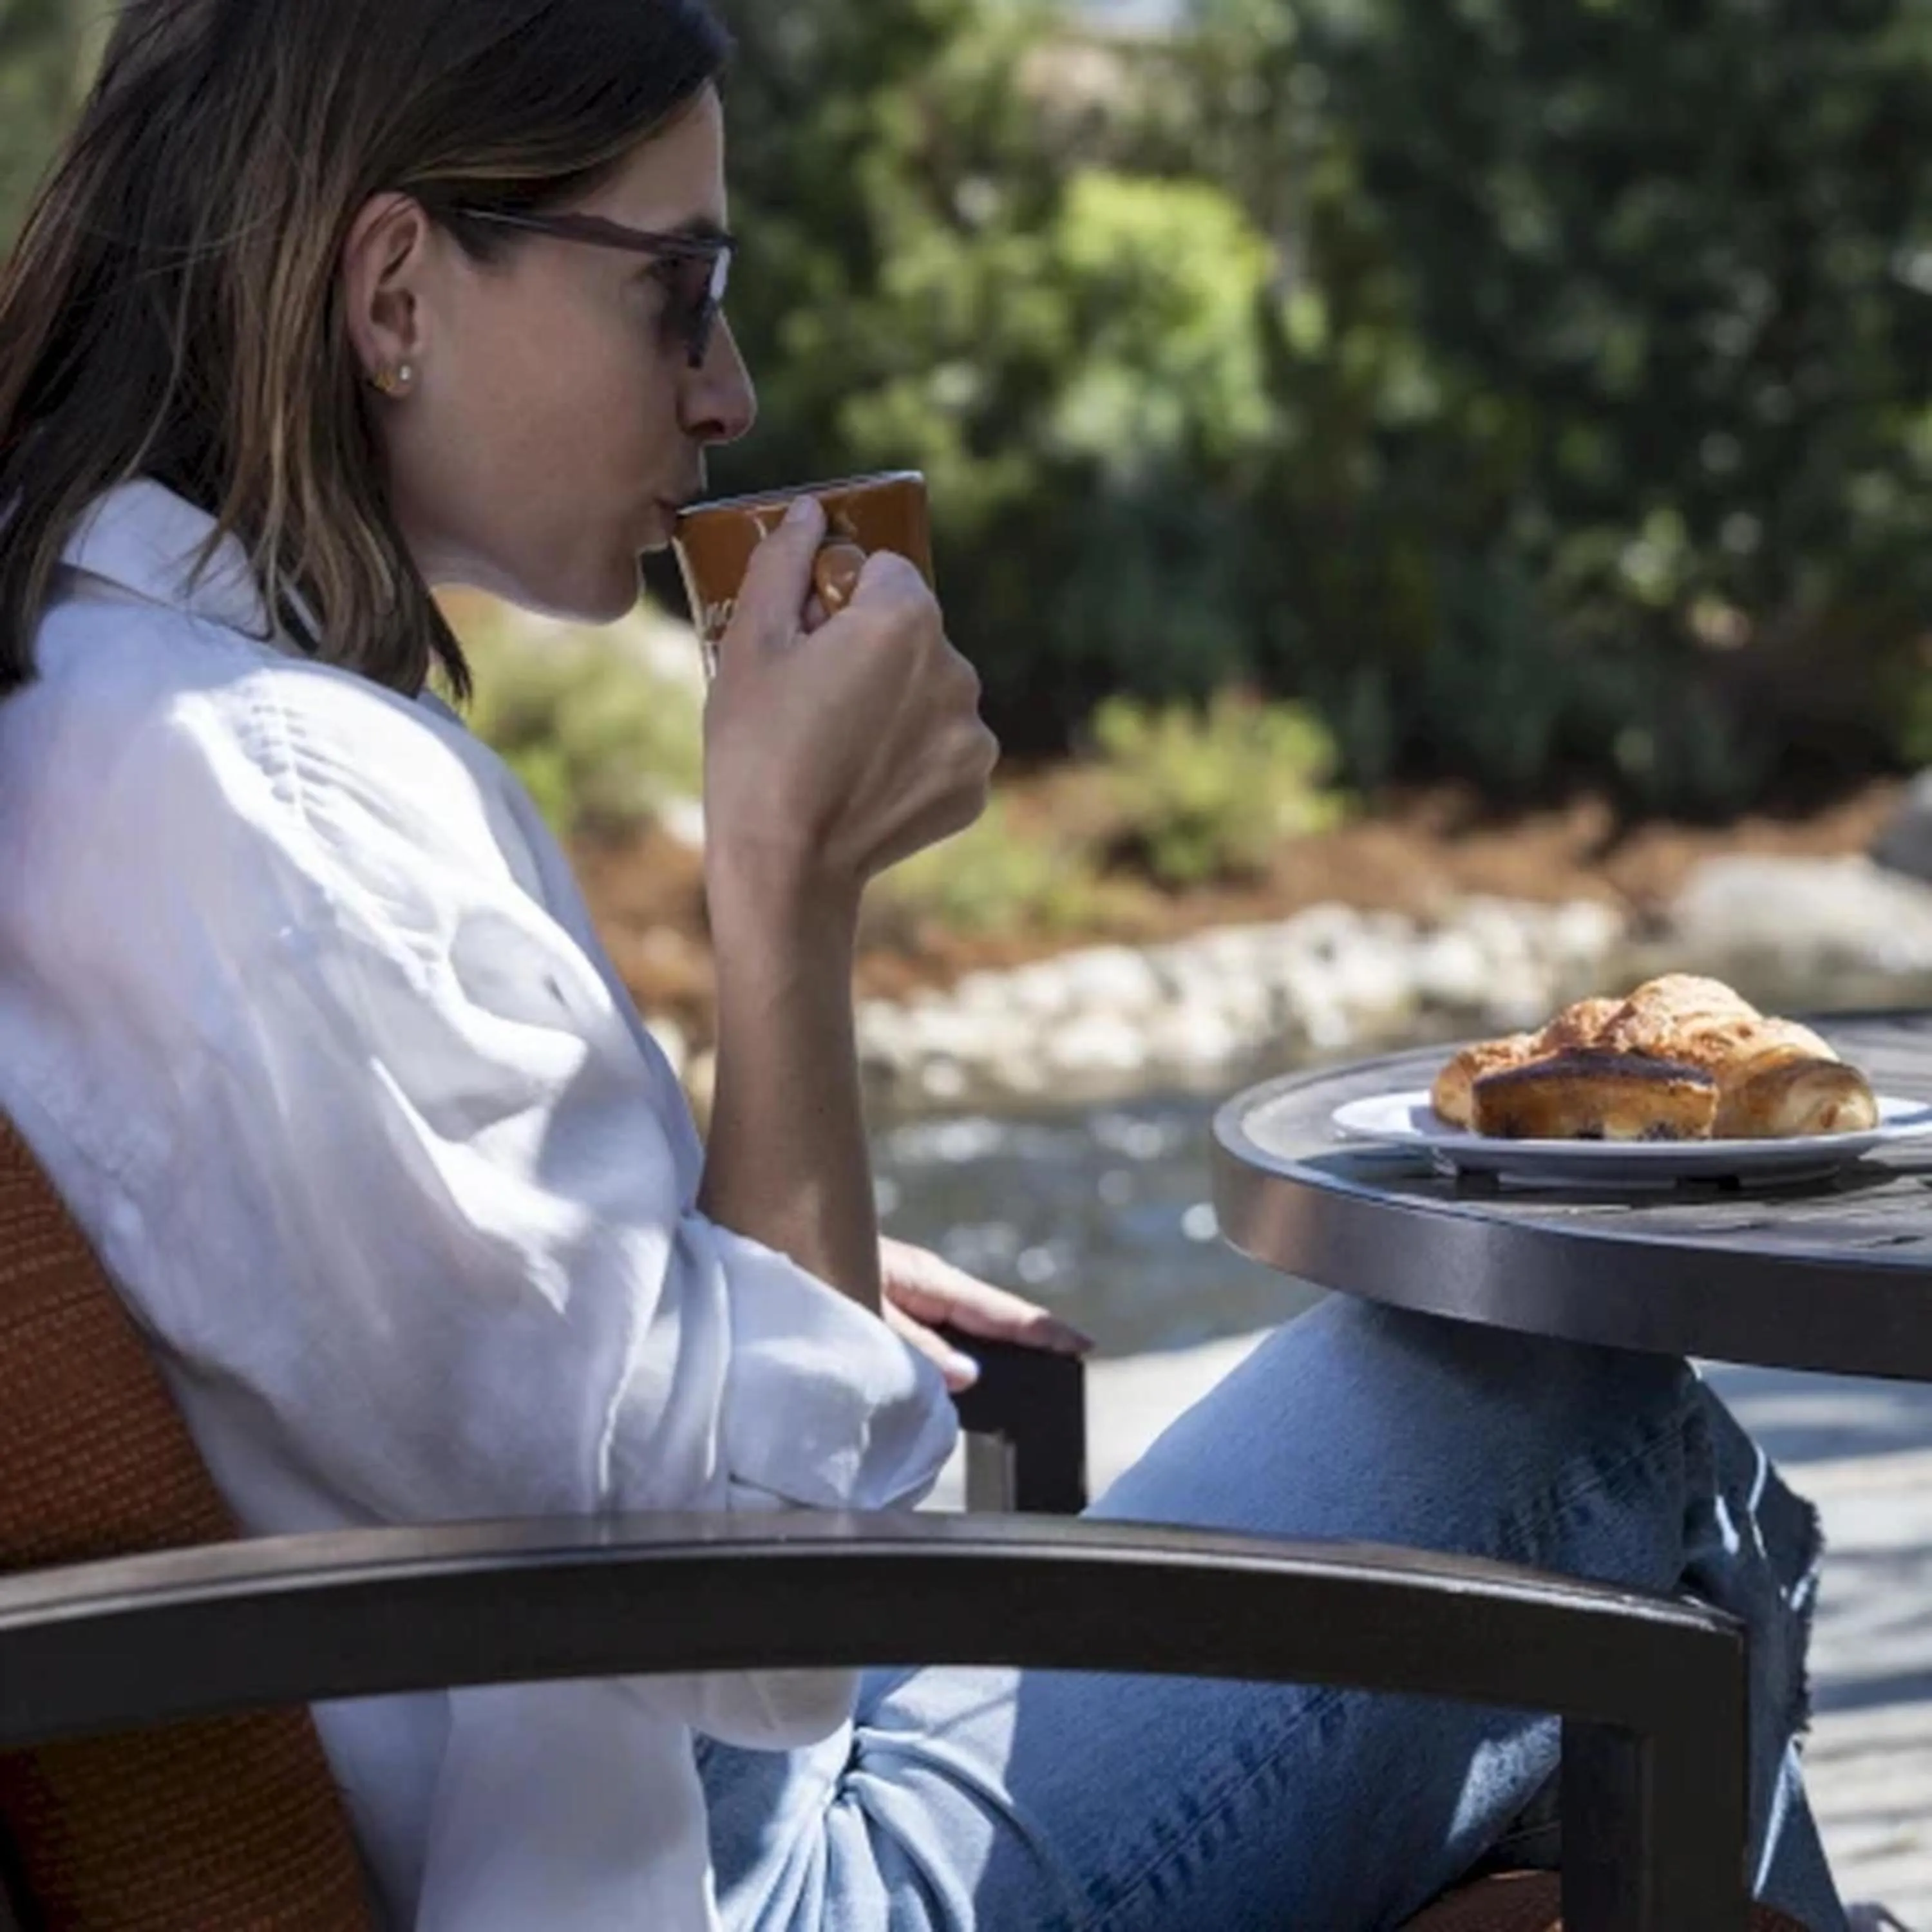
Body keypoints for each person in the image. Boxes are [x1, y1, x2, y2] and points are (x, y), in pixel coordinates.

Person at [0, 3, 1848, 1927]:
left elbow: (385, 1329)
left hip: (606, 1767)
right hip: (713, 1875)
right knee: (1573, 1425)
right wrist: (787, 887)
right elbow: (769, 1602)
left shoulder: (93, 709)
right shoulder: (288, 805)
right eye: (677, 288)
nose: (726, 389)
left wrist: (743, 1260)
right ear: (395, 290)